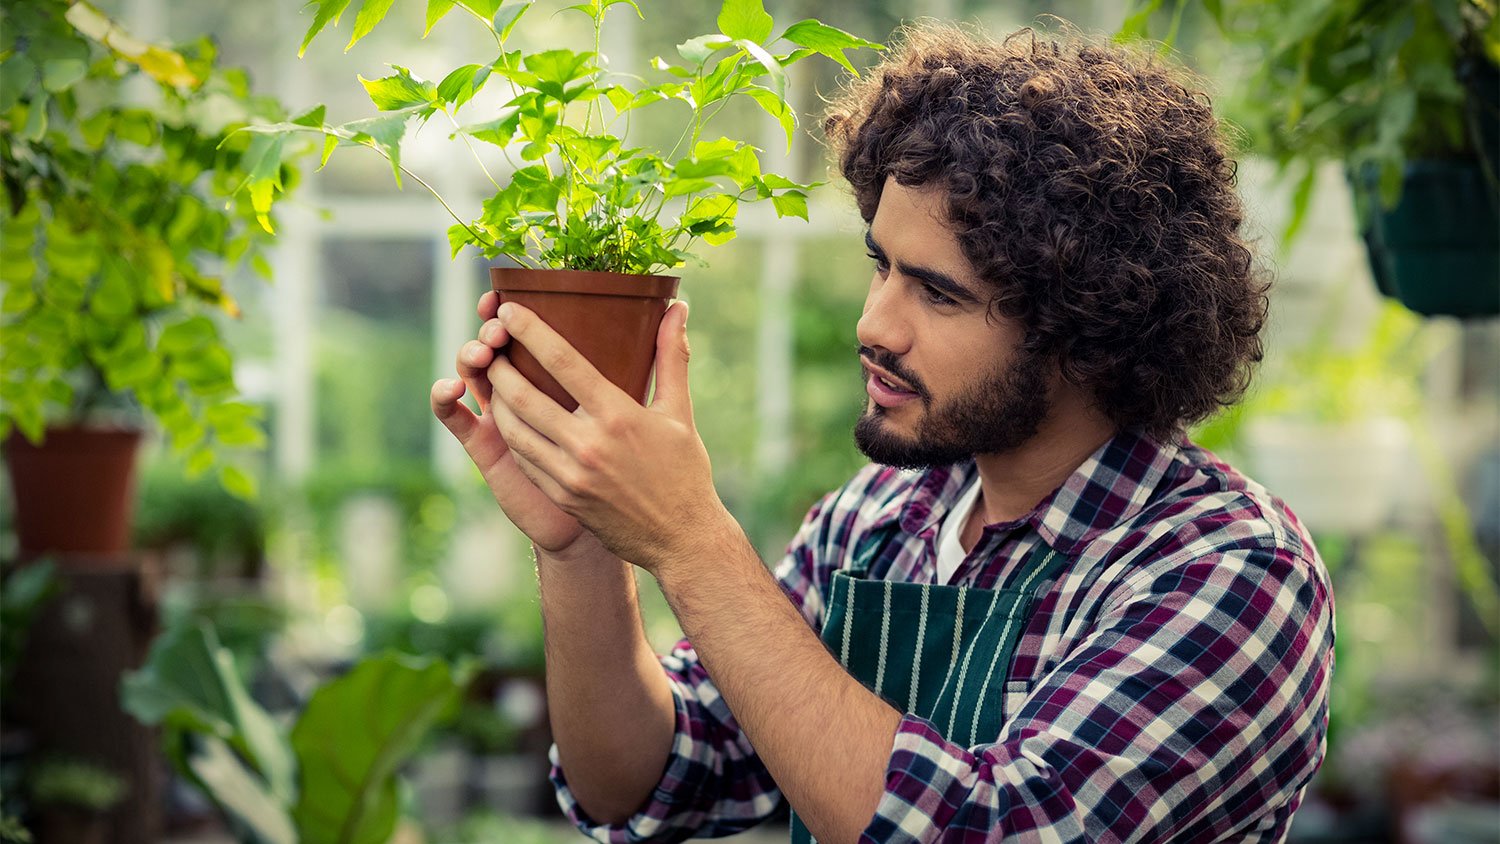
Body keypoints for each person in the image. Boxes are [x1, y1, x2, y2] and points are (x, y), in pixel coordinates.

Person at [431, 22, 1333, 844]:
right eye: (881, 266)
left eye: (938, 293)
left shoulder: (1231, 572)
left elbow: (998, 827)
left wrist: (692, 541)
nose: (875, 324)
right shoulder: (877, 524)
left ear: (1089, 332)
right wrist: (584, 545)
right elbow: (648, 782)